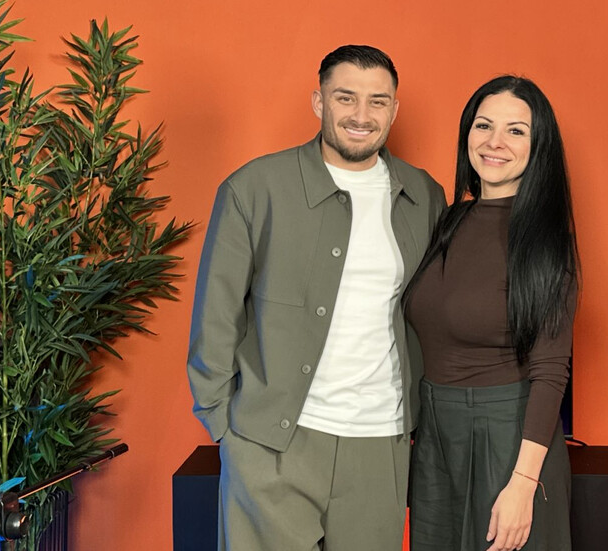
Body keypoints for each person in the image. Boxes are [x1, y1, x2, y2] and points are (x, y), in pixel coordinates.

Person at [186, 44, 446, 551]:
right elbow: (215, 316)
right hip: (272, 444)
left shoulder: (424, 196)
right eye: (345, 97)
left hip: (380, 443)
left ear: (394, 110)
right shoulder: (254, 188)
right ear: (318, 101)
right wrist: (225, 431)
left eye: (377, 101)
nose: (361, 115)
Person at [406, 75, 578, 551]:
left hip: (509, 440)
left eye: (516, 131)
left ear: (538, 147)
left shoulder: (546, 241)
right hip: (436, 436)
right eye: (484, 125)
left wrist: (523, 484)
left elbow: (551, 370)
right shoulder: (448, 220)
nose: (494, 142)